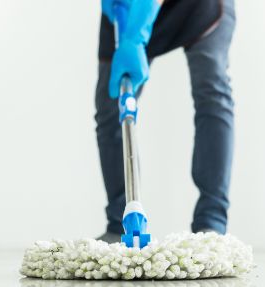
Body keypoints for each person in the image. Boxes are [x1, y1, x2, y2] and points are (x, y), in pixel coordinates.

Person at [96, 0, 236, 243]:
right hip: (123, 8)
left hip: (198, 7)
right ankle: (120, 224)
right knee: (111, 106)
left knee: (212, 91)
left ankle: (211, 225)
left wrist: (134, 37)